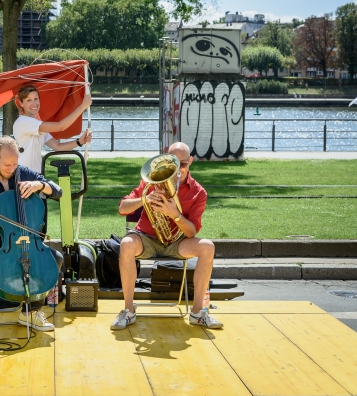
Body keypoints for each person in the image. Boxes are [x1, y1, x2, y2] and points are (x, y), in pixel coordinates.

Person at [0, 136, 64, 337]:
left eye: (15, 163)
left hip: (24, 237)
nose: (12, 168)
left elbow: (57, 191)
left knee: (55, 258)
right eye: (7, 164)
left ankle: (30, 312)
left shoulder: (23, 173)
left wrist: (39, 185)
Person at [111, 142, 222, 330]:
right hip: (146, 238)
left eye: (183, 164)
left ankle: (198, 313)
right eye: (174, 164)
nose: (178, 170)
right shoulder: (151, 182)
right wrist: (145, 199)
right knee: (126, 243)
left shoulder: (198, 192)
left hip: (177, 242)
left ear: (190, 162)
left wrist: (175, 215)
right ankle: (128, 311)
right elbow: (123, 208)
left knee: (208, 247)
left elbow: (191, 232)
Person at [13, 85, 92, 173]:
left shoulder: (37, 125)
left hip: (35, 175)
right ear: (21, 103)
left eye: (36, 99)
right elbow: (60, 126)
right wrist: (82, 107)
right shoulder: (23, 122)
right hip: (24, 176)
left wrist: (79, 142)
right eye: (29, 100)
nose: (34, 103)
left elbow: (58, 146)